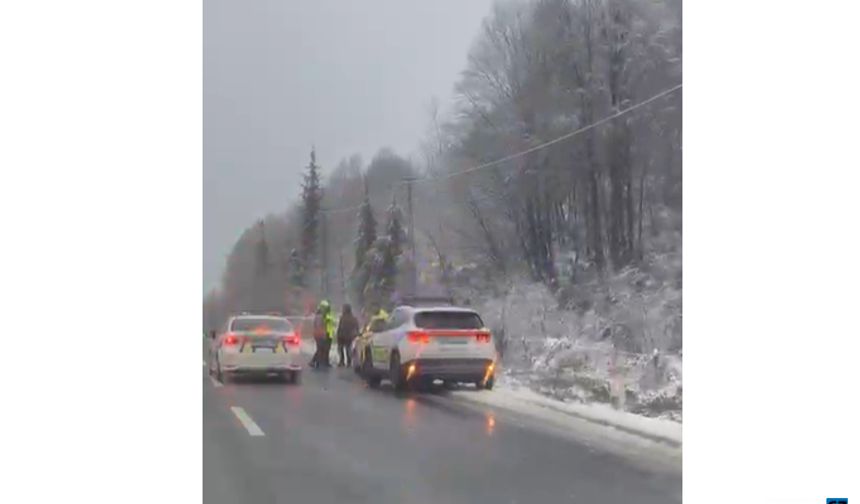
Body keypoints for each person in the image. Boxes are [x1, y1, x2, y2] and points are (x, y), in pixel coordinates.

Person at [311, 300, 336, 368]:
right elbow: (317, 325)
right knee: (321, 348)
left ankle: (323, 361)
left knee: (325, 349)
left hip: (327, 333)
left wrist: (328, 319)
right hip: (322, 334)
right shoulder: (320, 315)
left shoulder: (329, 314)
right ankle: (317, 361)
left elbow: (333, 322)